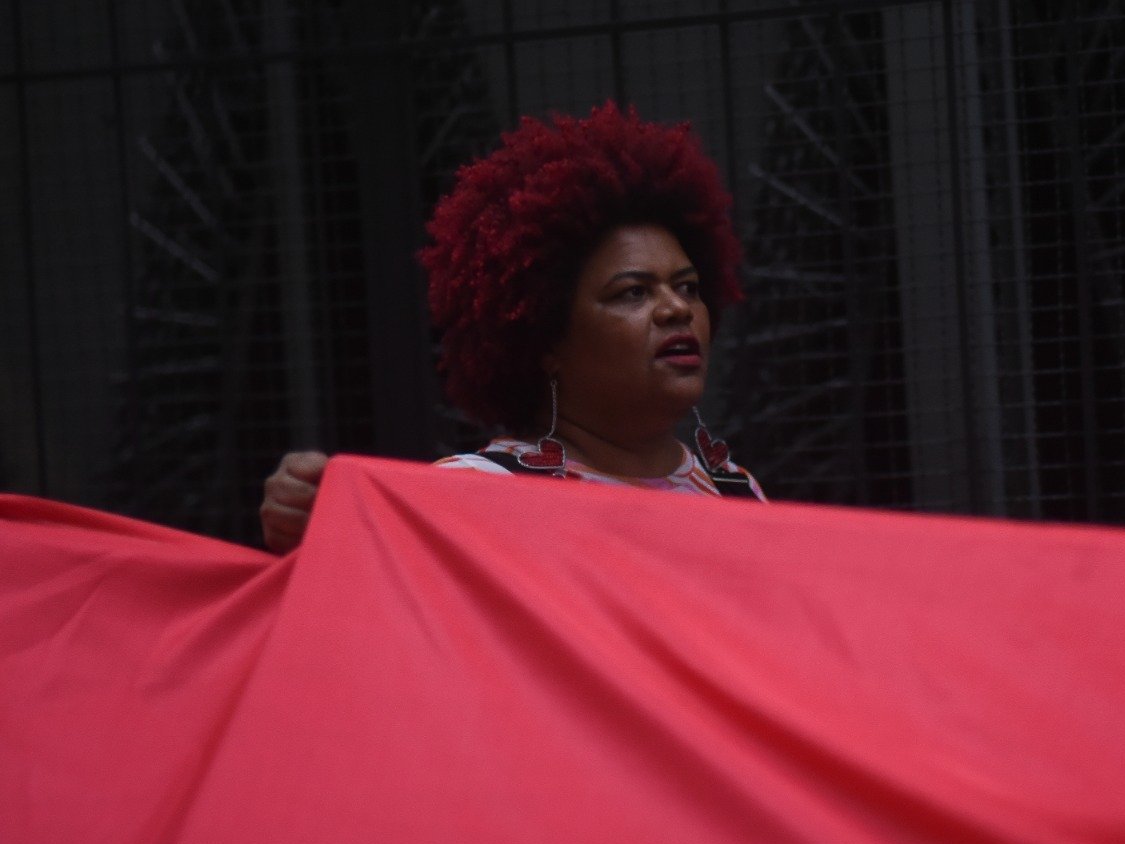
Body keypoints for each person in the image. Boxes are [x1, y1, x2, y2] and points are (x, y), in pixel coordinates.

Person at [259, 103, 764, 555]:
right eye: (633, 292)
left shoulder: (737, 492)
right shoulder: (470, 495)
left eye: (688, 287)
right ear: (546, 339)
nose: (676, 309)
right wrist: (318, 532)